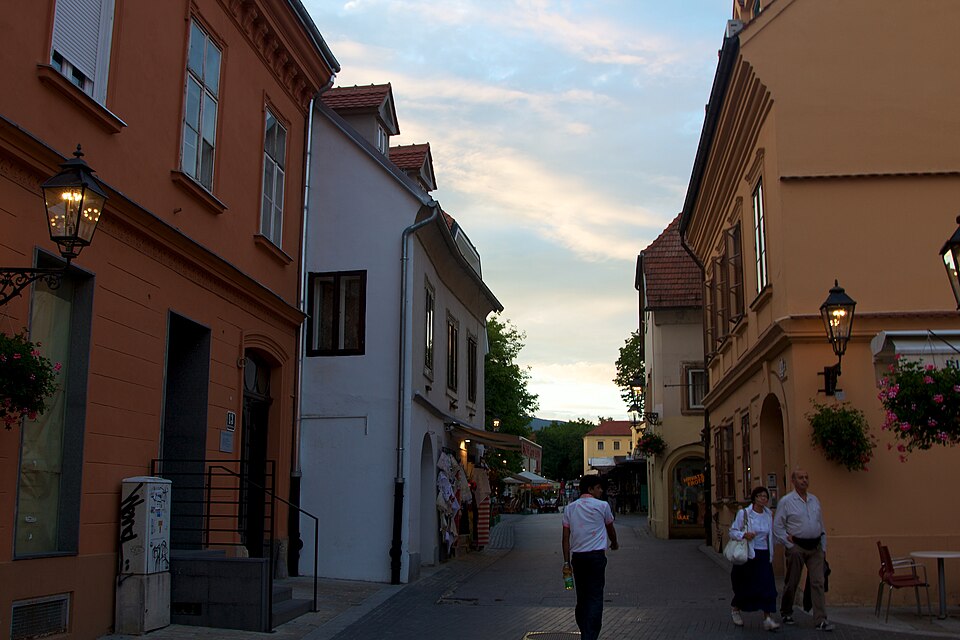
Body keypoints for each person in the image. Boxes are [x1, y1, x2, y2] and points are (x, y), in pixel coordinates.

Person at [773, 469, 834, 632]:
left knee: (818, 582)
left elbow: (821, 524)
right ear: (793, 481)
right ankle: (786, 610)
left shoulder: (814, 500)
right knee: (792, 581)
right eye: (801, 478)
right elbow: (778, 526)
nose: (804, 480)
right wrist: (789, 544)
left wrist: (823, 546)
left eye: (806, 477)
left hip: (815, 547)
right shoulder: (786, 501)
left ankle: (820, 619)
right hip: (797, 547)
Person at [561, 476, 619, 640]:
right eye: (599, 488)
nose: (601, 491)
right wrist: (614, 543)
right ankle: (590, 635)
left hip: (578, 559)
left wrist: (566, 562)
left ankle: (584, 630)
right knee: (595, 597)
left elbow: (565, 537)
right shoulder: (603, 506)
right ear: (590, 489)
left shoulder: (570, 508)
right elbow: (610, 528)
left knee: (582, 597)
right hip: (596, 557)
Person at [729, 486, 779, 631]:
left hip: (763, 554)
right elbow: (732, 531)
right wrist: (744, 535)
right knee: (746, 586)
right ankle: (736, 609)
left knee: (767, 586)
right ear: (754, 498)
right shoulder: (744, 513)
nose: (763, 499)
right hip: (749, 554)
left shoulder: (768, 514)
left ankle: (768, 618)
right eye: (760, 496)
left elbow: (771, 535)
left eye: (765, 496)